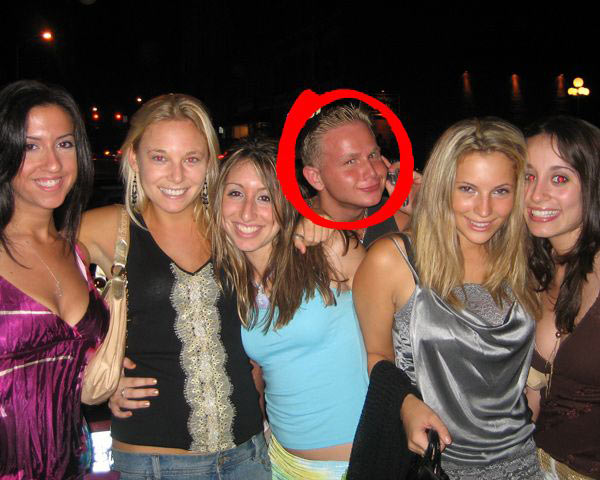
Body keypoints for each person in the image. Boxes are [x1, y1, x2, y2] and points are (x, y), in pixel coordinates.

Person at [79, 94, 270, 479]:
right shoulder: (107, 227)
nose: (177, 176)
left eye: (191, 159)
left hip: (249, 453)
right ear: (135, 159)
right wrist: (90, 373)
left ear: (209, 162)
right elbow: (31, 291)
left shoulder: (233, 224)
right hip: (155, 461)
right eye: (160, 157)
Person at [353, 117, 544, 479]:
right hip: (438, 463)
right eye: (467, 189)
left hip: (523, 460)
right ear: (442, 187)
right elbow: (377, 356)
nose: (484, 209)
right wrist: (405, 403)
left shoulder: (525, 258)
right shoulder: (393, 260)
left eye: (501, 191)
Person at [210, 138, 368, 479]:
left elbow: (402, 315)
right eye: (235, 193)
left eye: (265, 197)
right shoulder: (232, 281)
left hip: (355, 462)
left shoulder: (327, 249)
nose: (247, 212)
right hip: (281, 463)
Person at [0, 80, 109, 479]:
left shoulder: (78, 252)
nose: (53, 164)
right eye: (31, 146)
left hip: (72, 466)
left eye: (64, 144)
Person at [524, 116, 600, 480]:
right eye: (528, 177)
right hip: (533, 466)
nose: (536, 195)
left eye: (559, 179)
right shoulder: (529, 268)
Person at [301, 105, 412, 246]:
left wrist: (423, 203)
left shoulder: (401, 219)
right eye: (351, 161)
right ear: (315, 177)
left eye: (372, 155)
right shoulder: (289, 228)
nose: (372, 172)